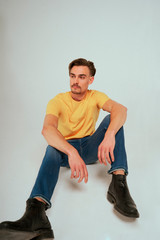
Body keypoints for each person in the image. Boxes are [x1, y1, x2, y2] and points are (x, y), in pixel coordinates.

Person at [0, 58, 139, 240]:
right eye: (73, 76)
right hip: (66, 151)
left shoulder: (95, 95)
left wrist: (110, 134)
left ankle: (118, 184)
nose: (75, 81)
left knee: (113, 121)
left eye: (82, 77)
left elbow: (121, 109)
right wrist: (71, 152)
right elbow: (48, 129)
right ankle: (36, 214)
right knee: (51, 149)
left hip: (90, 147)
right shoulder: (58, 100)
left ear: (91, 80)